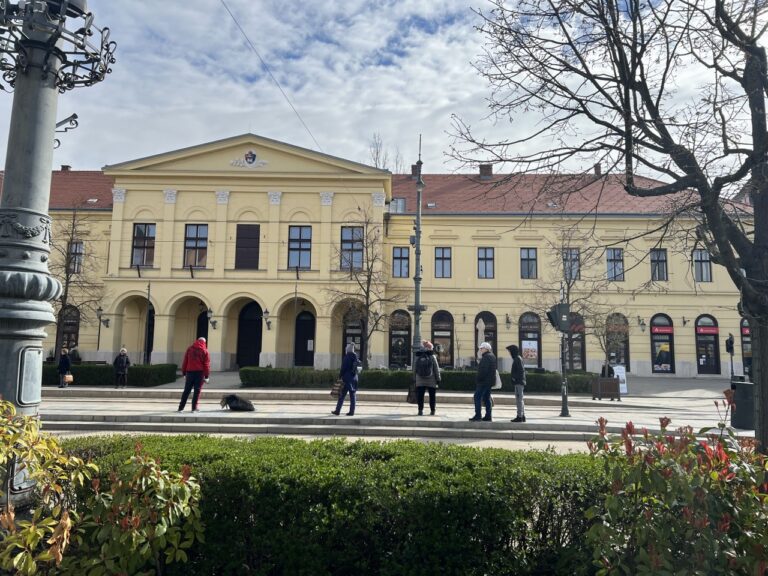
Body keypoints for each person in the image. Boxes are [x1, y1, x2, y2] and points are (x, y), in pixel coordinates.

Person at [178, 337, 210, 413]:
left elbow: (185, 361)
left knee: (186, 390)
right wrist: (206, 376)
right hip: (199, 373)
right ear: (204, 342)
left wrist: (184, 373)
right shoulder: (205, 350)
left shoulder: (189, 349)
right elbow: (206, 364)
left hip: (189, 372)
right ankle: (194, 408)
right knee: (197, 391)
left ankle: (181, 408)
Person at [470, 342, 496, 422]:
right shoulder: (492, 356)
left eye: (481, 348)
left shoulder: (486, 357)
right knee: (486, 398)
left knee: (477, 397)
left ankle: (478, 415)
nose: (480, 350)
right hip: (489, 382)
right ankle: (488, 416)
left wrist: (478, 379)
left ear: (486, 349)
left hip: (483, 382)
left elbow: (483, 371)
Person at [413, 340, 440, 416]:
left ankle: (420, 410)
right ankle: (432, 411)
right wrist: (438, 379)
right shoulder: (432, 356)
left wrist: (414, 378)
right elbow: (436, 369)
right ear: (430, 347)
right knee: (432, 396)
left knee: (420, 396)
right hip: (431, 379)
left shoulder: (417, 355)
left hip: (420, 379)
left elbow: (414, 368)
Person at [332, 343, 359, 416]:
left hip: (347, 378)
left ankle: (337, 410)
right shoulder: (356, 357)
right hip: (354, 378)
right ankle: (352, 411)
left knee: (342, 395)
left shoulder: (347, 357)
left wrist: (340, 376)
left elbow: (343, 368)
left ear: (347, 350)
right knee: (352, 395)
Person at [507, 344, 527, 423]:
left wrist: (514, 378)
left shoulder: (517, 359)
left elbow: (521, 371)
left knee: (519, 399)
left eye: (510, 351)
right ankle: (522, 415)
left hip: (518, 382)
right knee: (520, 399)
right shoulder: (518, 358)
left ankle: (519, 417)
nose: (509, 353)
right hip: (519, 382)